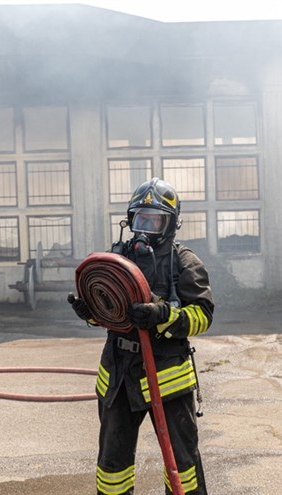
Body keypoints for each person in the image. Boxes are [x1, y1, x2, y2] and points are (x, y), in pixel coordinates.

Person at [69, 177, 214, 495]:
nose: (145, 228)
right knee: (113, 462)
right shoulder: (118, 259)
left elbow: (203, 316)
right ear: (130, 220)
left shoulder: (184, 263)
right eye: (140, 219)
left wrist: (164, 316)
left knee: (182, 463)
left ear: (171, 224)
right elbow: (109, 313)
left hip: (167, 378)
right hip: (119, 376)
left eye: (154, 220)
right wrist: (91, 312)